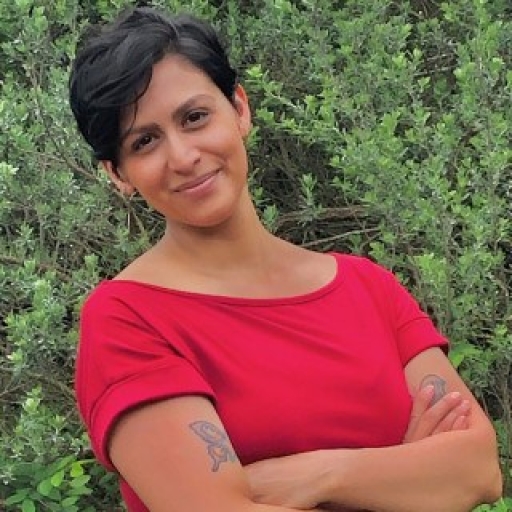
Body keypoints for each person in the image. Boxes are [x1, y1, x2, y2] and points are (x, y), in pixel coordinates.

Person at [69, 7, 502, 512]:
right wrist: (404, 476)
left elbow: (478, 470)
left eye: (195, 117)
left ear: (239, 109)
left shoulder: (367, 288)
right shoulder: (128, 320)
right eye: (145, 141)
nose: (183, 156)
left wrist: (321, 476)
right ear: (118, 174)